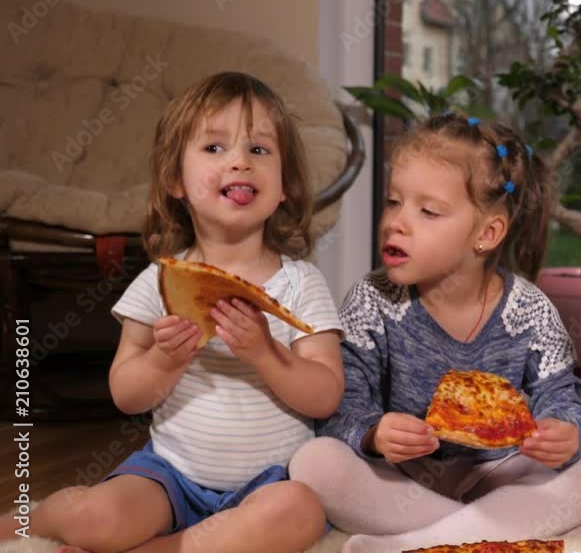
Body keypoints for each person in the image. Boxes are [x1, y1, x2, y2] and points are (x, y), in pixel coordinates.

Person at [0, 72, 344, 553]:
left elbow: (326, 397)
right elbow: (126, 394)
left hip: (272, 480)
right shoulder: (159, 281)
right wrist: (165, 360)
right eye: (214, 148)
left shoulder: (302, 283)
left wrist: (266, 353)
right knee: (98, 516)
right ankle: (31, 518)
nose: (240, 161)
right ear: (175, 181)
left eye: (259, 149)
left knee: (301, 511)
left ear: (284, 185)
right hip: (170, 477)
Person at [289, 112, 581, 553]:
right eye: (393, 202)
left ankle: (418, 542)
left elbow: (562, 397)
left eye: (428, 211)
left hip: (501, 473)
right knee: (314, 462)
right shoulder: (371, 300)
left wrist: (564, 433)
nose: (397, 222)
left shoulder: (529, 309)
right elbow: (342, 406)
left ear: (487, 233)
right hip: (404, 478)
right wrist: (373, 433)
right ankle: (478, 531)